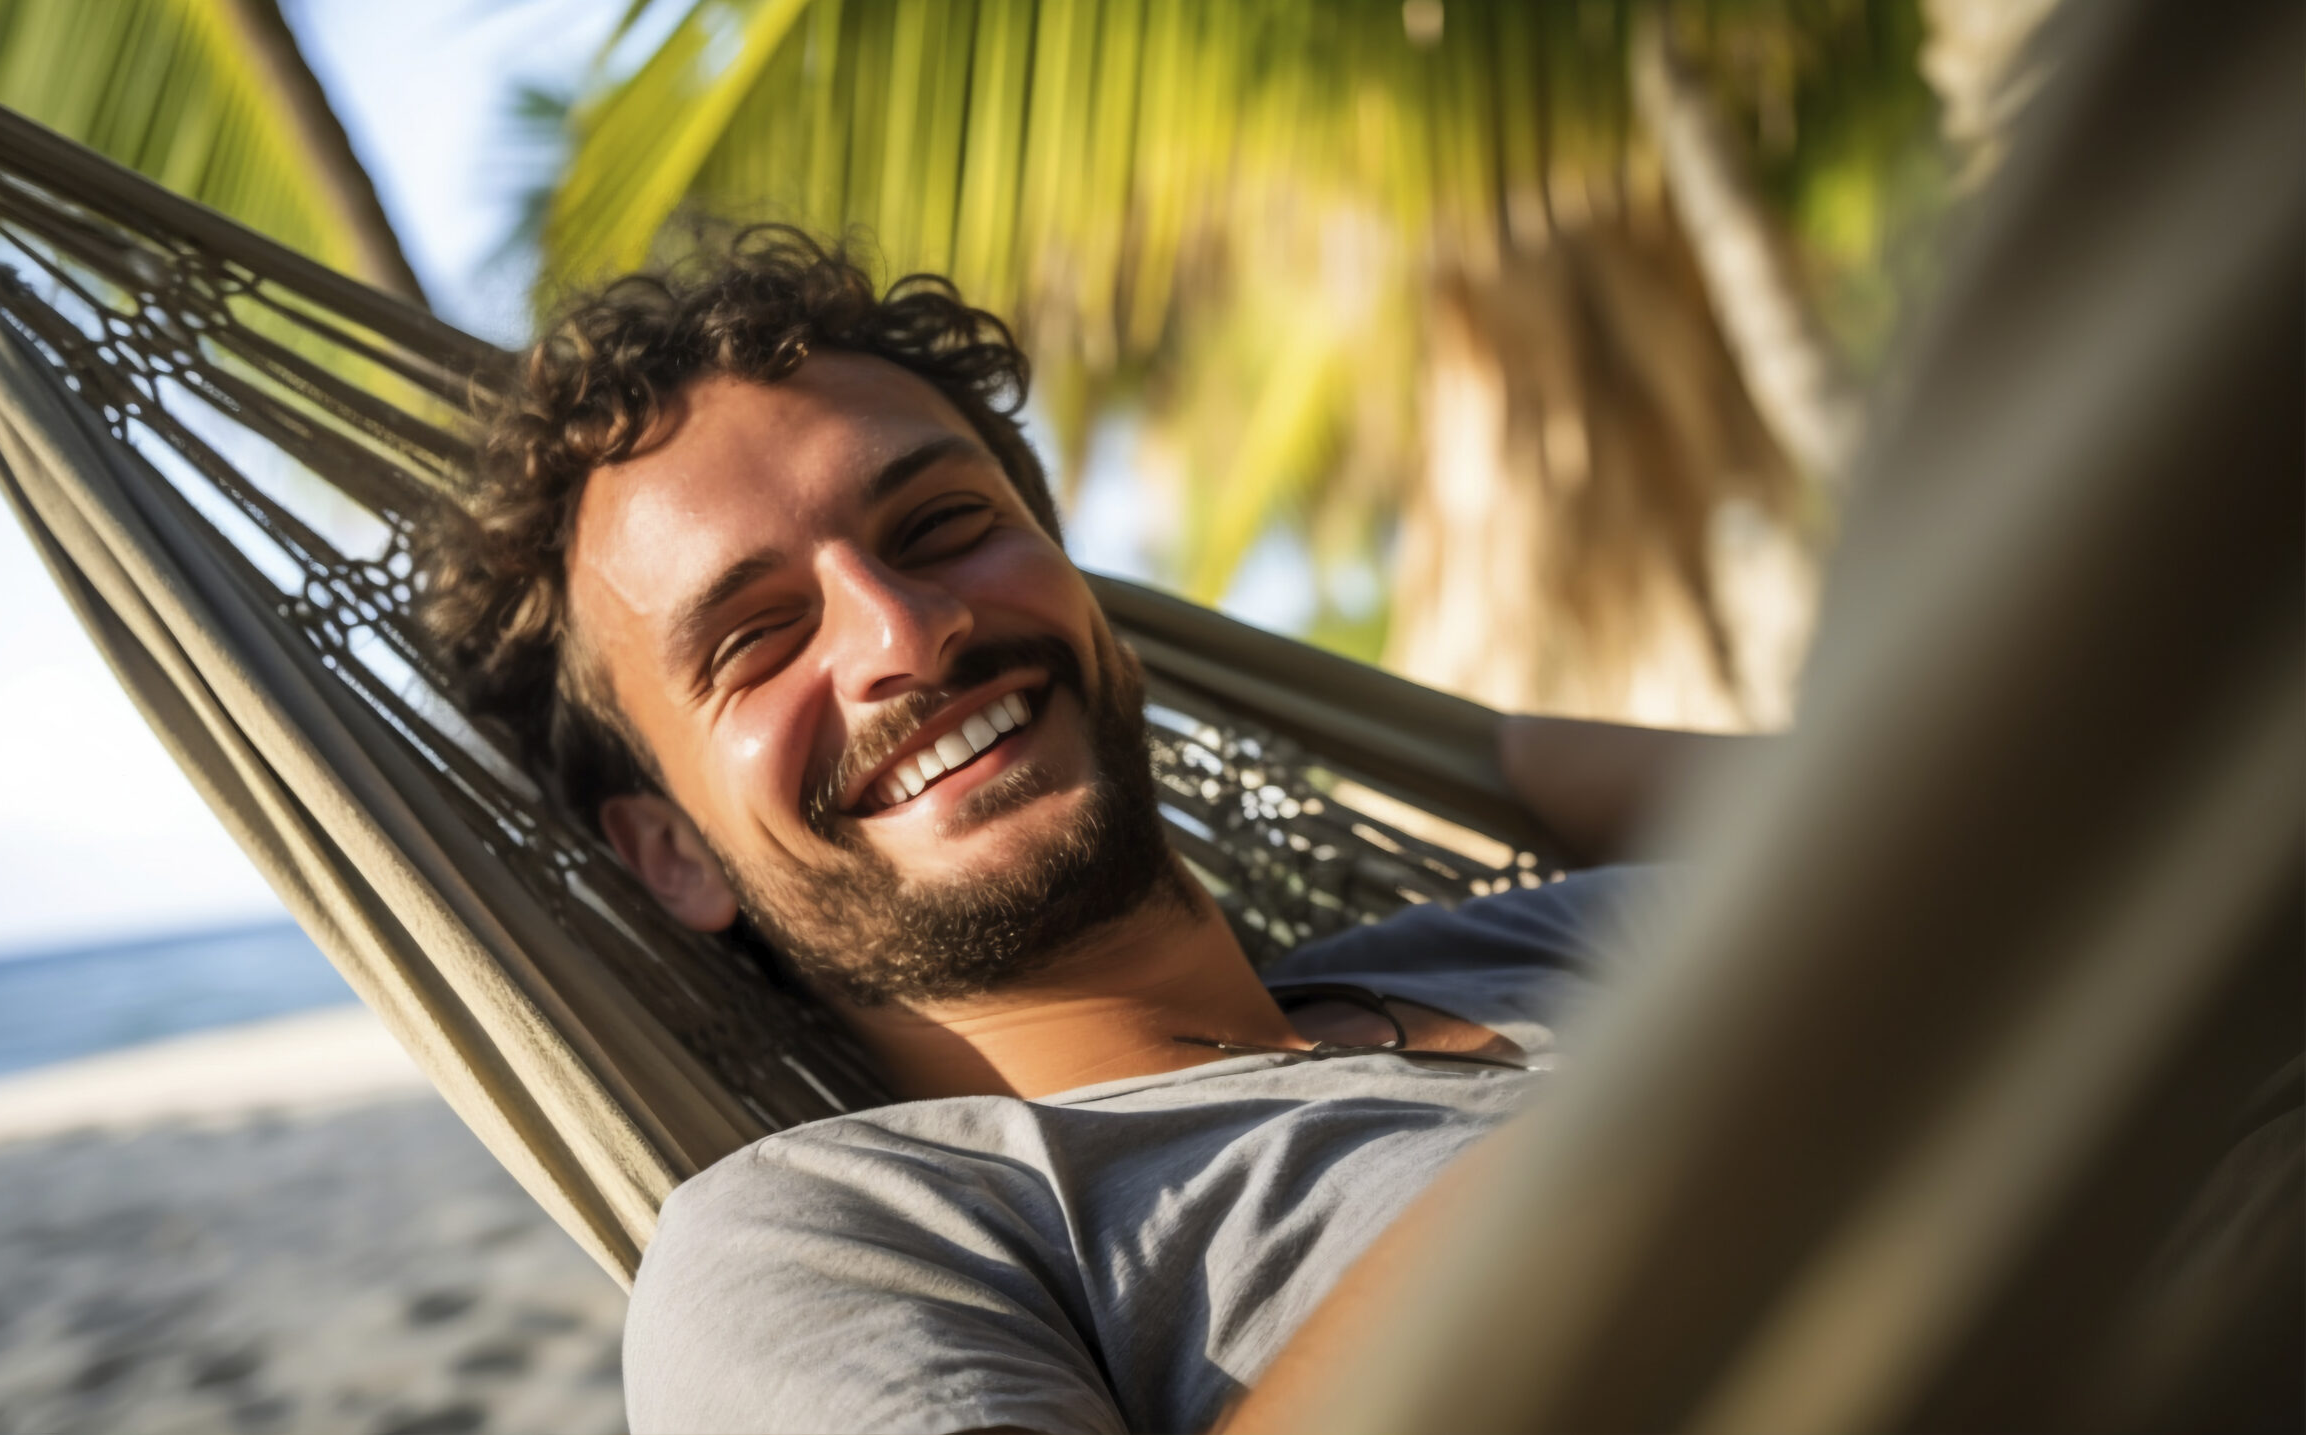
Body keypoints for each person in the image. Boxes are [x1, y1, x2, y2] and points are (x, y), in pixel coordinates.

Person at [421, 226, 1741, 1434]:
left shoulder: (1535, 937)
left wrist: (1502, 752)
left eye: (942, 527)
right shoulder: (830, 1235)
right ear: (675, 854)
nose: (906, 633)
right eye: (758, 639)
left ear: (1097, 609)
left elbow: (1926, 849)